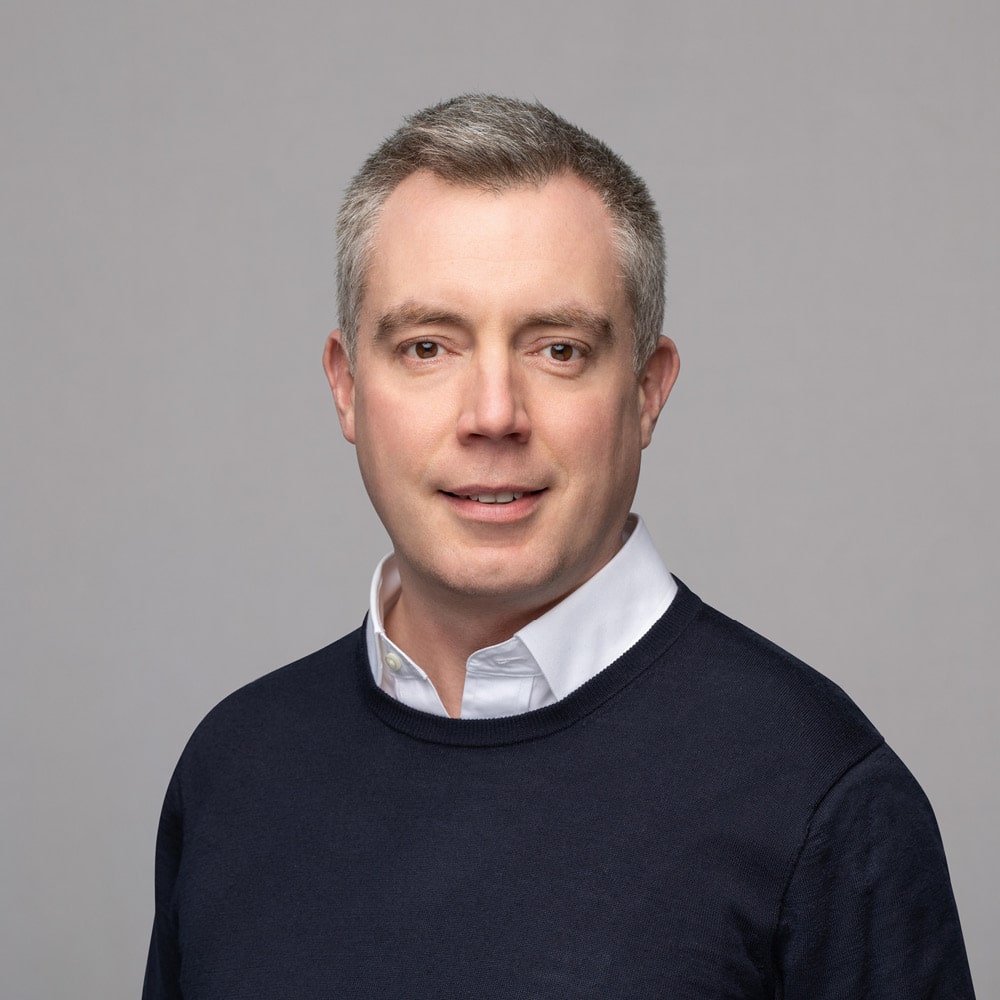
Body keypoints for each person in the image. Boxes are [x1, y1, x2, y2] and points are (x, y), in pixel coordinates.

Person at [143, 95, 975, 998]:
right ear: (348, 388)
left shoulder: (820, 795)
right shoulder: (236, 770)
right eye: (428, 347)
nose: (493, 414)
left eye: (559, 350)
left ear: (648, 391)